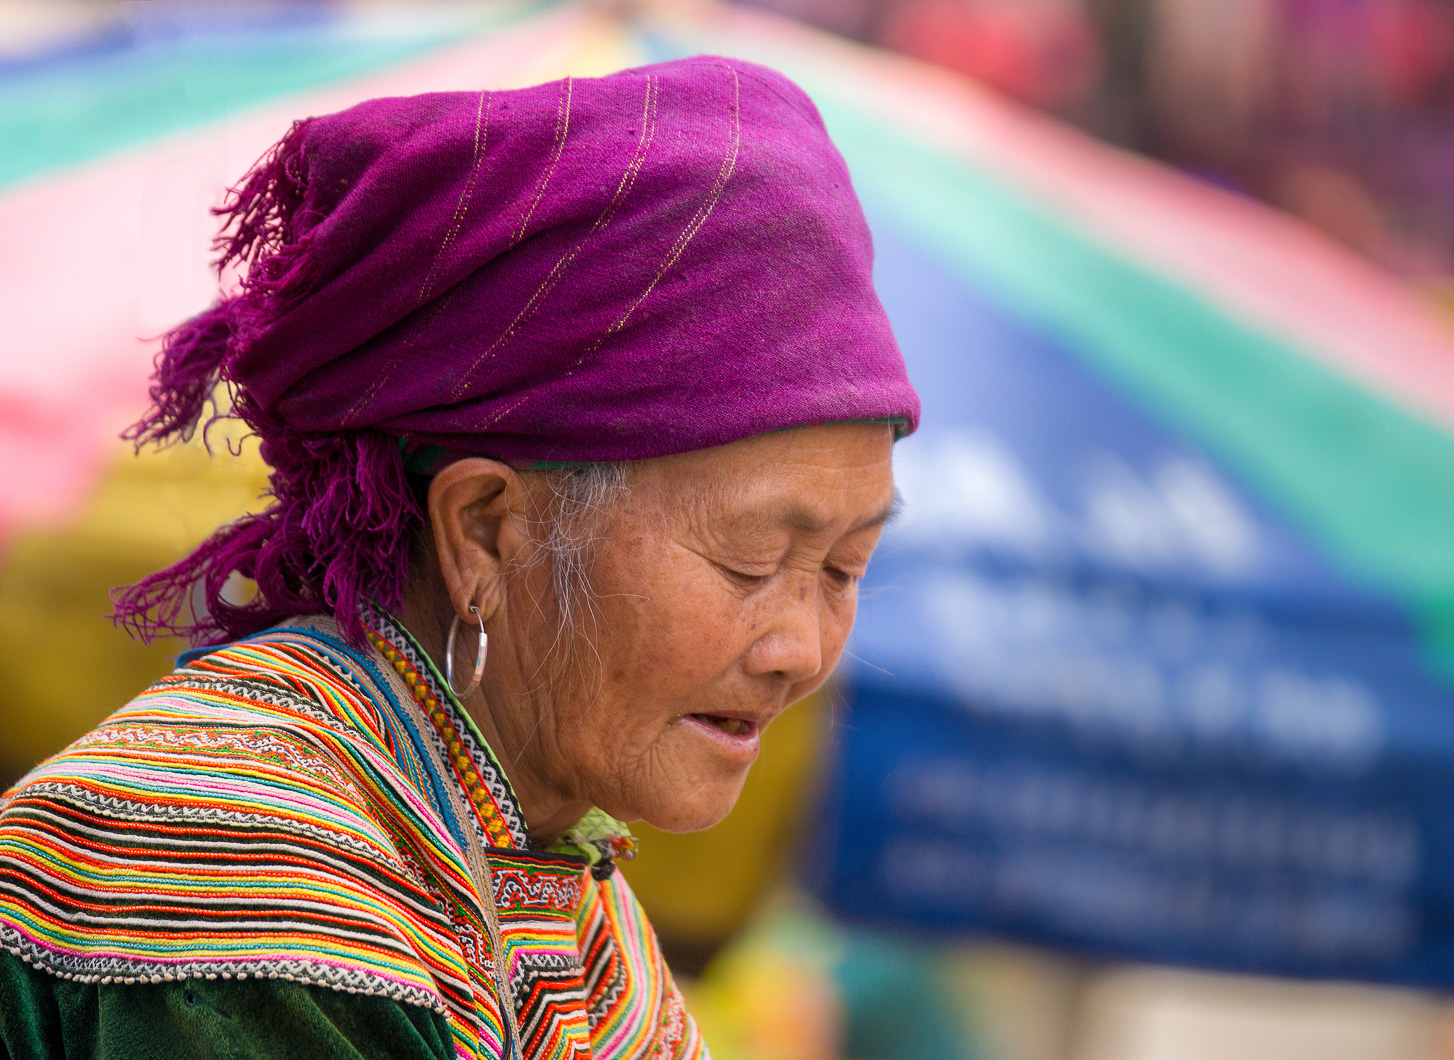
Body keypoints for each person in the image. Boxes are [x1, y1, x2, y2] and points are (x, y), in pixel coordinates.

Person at [0, 56, 918, 1059]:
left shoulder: (550, 876)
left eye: (843, 570)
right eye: (749, 561)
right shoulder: (256, 866)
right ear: (483, 528)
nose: (802, 648)